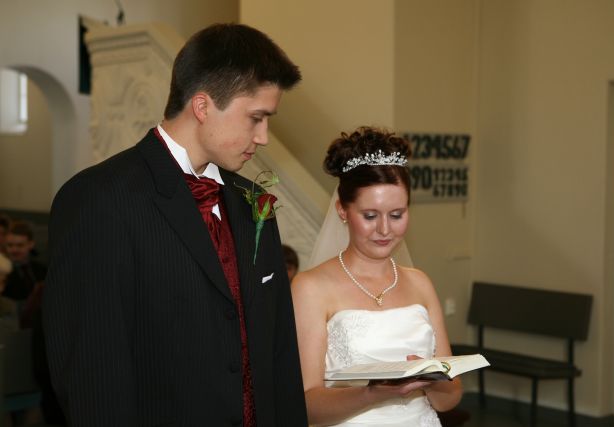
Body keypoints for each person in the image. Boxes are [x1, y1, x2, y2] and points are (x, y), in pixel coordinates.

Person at [44, 23, 307, 427]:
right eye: (256, 118)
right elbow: (92, 372)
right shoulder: (99, 199)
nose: (264, 136)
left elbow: (280, 351)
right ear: (203, 107)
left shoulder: (254, 203)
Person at [292, 126, 463, 426]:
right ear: (342, 210)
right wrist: (371, 394)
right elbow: (306, 405)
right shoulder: (310, 287)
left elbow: (449, 399)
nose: (385, 229)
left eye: (397, 215)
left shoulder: (420, 282)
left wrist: (432, 380)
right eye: (370, 216)